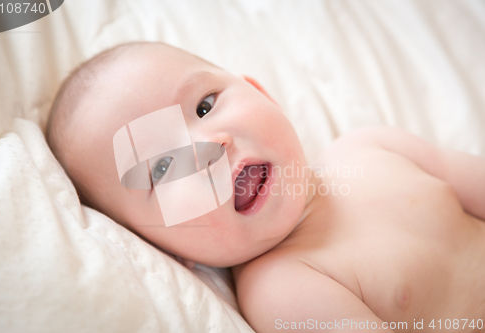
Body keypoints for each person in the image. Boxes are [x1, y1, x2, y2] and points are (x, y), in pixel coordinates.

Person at [46, 42, 485, 332]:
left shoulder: (370, 146)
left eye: (204, 106)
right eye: (162, 168)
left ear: (261, 93)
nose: (208, 147)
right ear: (162, 248)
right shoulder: (282, 288)